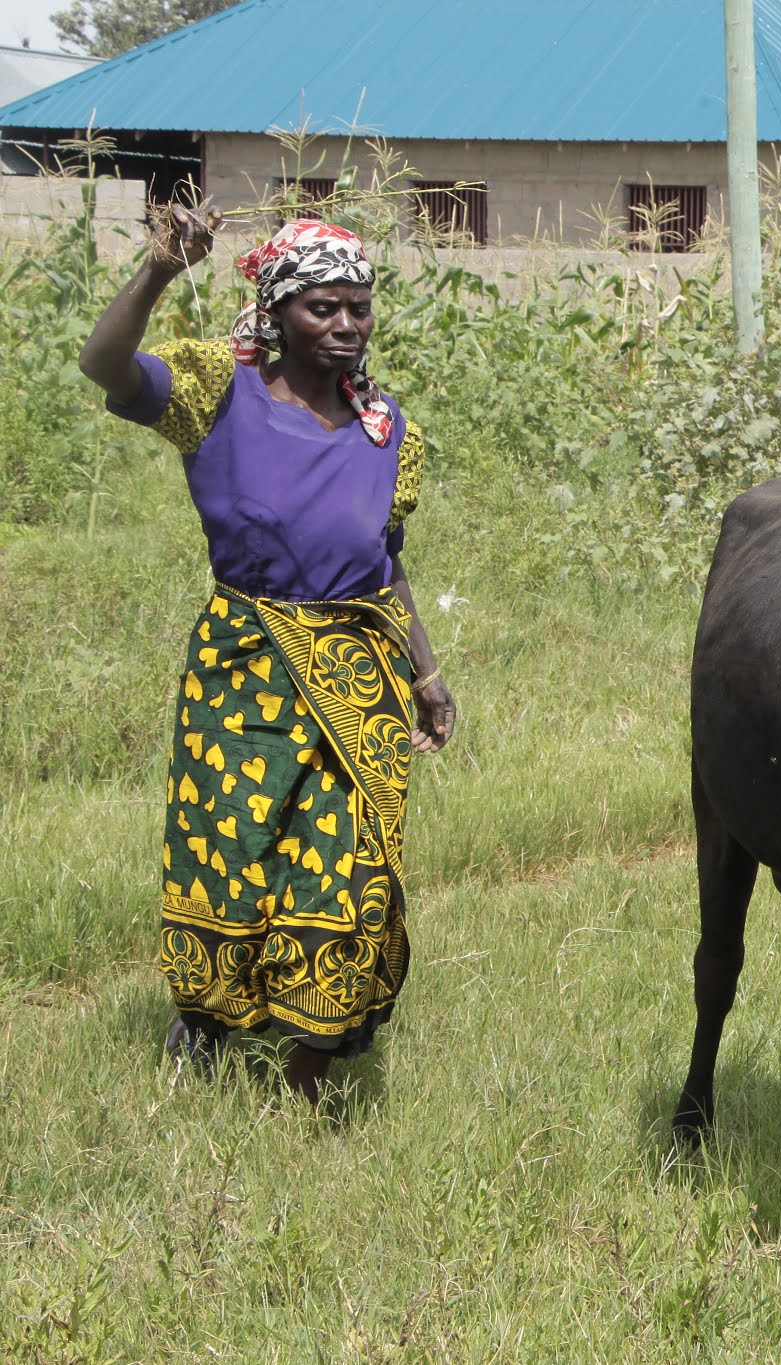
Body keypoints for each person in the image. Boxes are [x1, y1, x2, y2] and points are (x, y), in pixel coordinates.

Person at [79, 205, 456, 1104]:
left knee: (352, 869)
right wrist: (160, 269)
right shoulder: (220, 389)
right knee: (232, 861)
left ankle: (309, 1072)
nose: (346, 325)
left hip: (358, 676)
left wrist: (428, 673)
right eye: (324, 307)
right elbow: (103, 365)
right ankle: (207, 1022)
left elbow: (386, 561)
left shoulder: (384, 427)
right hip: (244, 669)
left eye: (359, 308)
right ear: (279, 311)